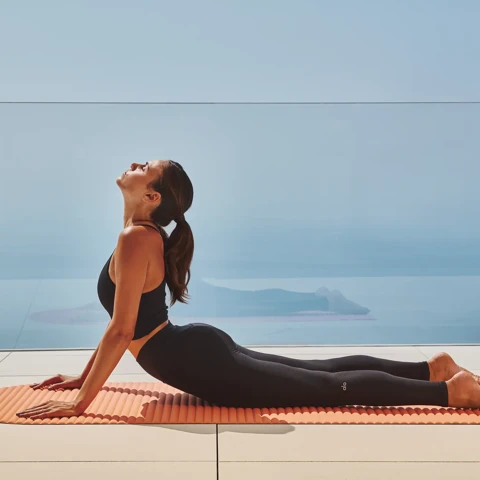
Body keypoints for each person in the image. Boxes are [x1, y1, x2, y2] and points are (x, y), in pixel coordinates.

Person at [17, 160, 480, 420]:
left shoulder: (135, 237)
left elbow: (122, 331)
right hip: (192, 349)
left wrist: (81, 403)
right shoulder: (140, 235)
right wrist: (84, 375)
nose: (134, 164)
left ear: (152, 197)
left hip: (194, 357)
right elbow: (121, 324)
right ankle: (431, 368)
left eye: (145, 167)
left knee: (326, 386)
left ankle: (451, 391)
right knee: (319, 372)